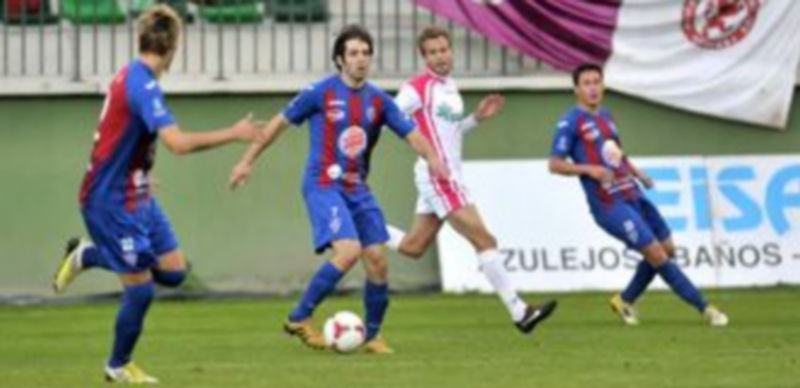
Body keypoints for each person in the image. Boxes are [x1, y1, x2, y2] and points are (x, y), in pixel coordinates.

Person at [52, 5, 262, 383]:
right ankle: (117, 365)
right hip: (109, 201)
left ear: (141, 39)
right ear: (175, 47)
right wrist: (234, 133)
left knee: (174, 271)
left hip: (134, 191)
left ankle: (87, 255)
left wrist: (138, 172)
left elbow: (120, 137)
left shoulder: (133, 77)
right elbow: (178, 144)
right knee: (141, 290)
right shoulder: (142, 85)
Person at [229, 25, 449, 354]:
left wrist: (433, 157)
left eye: (366, 53)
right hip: (322, 185)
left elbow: (412, 134)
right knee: (348, 251)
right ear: (340, 60)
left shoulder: (379, 100)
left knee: (377, 258)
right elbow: (276, 126)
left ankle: (372, 336)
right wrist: (247, 161)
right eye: (354, 53)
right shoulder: (319, 93)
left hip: (357, 187)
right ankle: (299, 317)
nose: (361, 59)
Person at [384, 26, 558, 334]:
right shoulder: (416, 89)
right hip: (438, 177)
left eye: (444, 50)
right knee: (485, 239)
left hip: (448, 177)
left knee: (414, 246)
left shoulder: (450, 87)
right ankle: (520, 312)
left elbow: (449, 133)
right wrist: (423, 152)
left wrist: (476, 119)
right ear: (424, 57)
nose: (440, 56)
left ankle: (362, 223)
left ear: (451, 51)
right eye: (433, 52)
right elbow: (387, 120)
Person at [548, 63, 729, 327]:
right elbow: (554, 164)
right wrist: (590, 170)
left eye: (597, 82)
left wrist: (637, 172)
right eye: (586, 83)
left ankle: (625, 299)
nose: (592, 88)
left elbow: (617, 155)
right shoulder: (570, 122)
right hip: (609, 204)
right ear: (576, 89)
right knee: (656, 254)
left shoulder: (607, 117)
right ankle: (706, 308)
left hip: (632, 192)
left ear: (603, 86)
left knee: (667, 249)